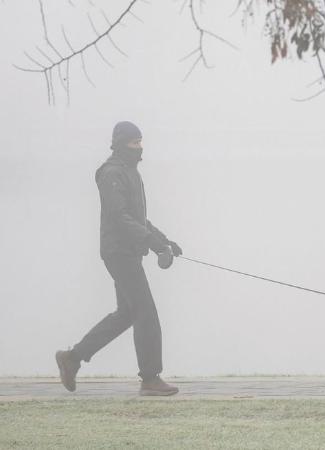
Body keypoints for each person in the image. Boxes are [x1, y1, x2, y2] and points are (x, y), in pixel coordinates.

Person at [55, 121, 183, 396]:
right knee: (146, 312)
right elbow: (119, 217)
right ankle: (150, 378)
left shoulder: (131, 173)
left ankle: (73, 357)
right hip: (118, 252)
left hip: (130, 252)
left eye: (140, 142)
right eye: (134, 143)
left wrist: (164, 240)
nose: (140, 147)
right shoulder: (110, 173)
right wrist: (151, 242)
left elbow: (138, 218)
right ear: (121, 144)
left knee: (127, 314)